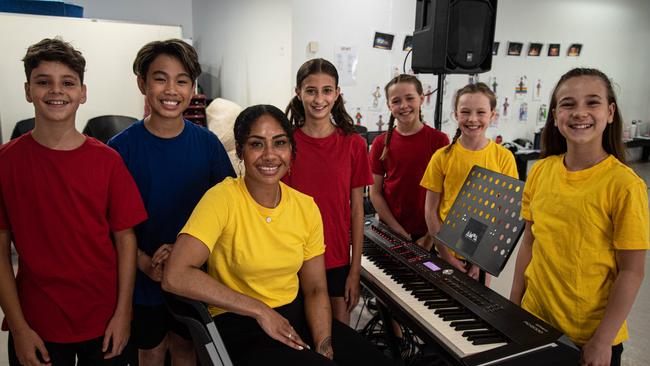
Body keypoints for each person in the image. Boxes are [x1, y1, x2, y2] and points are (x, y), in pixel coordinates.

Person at [162, 104, 393, 366]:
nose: (270, 155)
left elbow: (316, 289)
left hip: (296, 315)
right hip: (239, 323)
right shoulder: (221, 199)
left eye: (279, 143)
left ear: (291, 150)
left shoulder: (305, 207)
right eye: (257, 144)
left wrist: (323, 346)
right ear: (240, 151)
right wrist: (260, 310)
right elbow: (175, 275)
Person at [0, 38, 147, 365]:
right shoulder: (6, 162)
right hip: (37, 322)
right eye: (43, 82)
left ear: (83, 92)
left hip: (105, 319)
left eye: (67, 83)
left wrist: (124, 314)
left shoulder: (108, 162)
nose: (56, 91)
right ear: (28, 91)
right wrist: (20, 328)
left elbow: (126, 239)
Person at [108, 39, 235, 366]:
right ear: (142, 83)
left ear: (192, 88)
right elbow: (111, 224)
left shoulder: (208, 145)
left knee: (185, 348)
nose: (171, 89)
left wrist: (184, 258)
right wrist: (144, 262)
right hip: (141, 275)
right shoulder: (119, 150)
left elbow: (229, 212)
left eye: (182, 81)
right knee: (150, 350)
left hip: (193, 273)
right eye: (160, 78)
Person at [510, 68, 648, 366]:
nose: (579, 112)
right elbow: (530, 243)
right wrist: (514, 304)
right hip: (535, 323)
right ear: (555, 114)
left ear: (610, 112)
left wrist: (602, 340)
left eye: (592, 102)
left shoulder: (625, 186)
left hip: (588, 338)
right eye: (568, 104)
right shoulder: (541, 171)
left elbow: (632, 272)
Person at [283, 58, 373, 325]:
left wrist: (354, 270)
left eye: (326, 90)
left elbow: (358, 211)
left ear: (337, 93)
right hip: (292, 257)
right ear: (298, 93)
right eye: (311, 90)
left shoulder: (353, 144)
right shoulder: (286, 144)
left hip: (335, 257)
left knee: (338, 336)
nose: (318, 98)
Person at [420, 82, 518, 281]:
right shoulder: (442, 157)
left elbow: (504, 213)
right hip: (445, 253)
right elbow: (431, 211)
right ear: (456, 114)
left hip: (482, 256)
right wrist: (446, 255)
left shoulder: (504, 157)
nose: (472, 119)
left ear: (492, 115)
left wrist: (480, 259)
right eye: (465, 112)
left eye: (481, 112)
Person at [370, 74, 449, 248]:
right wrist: (398, 230)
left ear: (421, 99)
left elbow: (445, 194)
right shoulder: (380, 143)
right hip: (391, 230)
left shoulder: (439, 141)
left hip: (429, 233)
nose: (403, 106)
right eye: (396, 101)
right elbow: (375, 192)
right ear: (389, 105)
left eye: (410, 98)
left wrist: (430, 237)